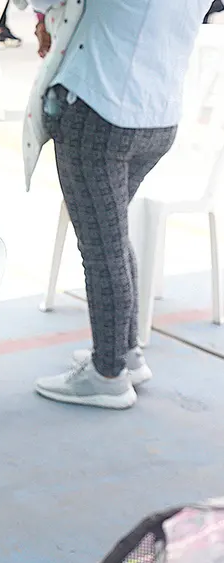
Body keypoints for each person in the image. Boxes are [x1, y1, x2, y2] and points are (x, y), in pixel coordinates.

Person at [23, 0, 209, 409]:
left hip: (98, 110)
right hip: (157, 118)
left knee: (101, 249)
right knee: (111, 234)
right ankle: (124, 353)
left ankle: (107, 373)